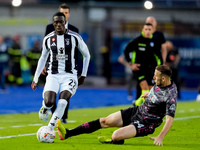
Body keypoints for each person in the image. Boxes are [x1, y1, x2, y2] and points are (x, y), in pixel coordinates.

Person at [56, 65, 177, 146]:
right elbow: (156, 91)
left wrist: (160, 137)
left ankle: (116, 141)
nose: (153, 77)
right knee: (105, 121)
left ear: (164, 78)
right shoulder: (160, 82)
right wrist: (149, 96)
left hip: (146, 123)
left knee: (115, 135)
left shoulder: (170, 95)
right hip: (137, 111)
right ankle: (68, 133)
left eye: (156, 76)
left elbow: (169, 120)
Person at [31, 12, 90, 130]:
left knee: (63, 102)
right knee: (49, 102)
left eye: (61, 22)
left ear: (65, 22)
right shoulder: (48, 39)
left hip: (70, 75)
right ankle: (44, 107)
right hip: (53, 75)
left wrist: (83, 75)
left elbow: (86, 55)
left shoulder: (75, 37)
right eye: (56, 22)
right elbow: (43, 58)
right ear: (53, 23)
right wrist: (35, 78)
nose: (58, 24)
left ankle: (50, 128)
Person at [43, 3, 79, 124]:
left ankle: (62, 116)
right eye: (62, 12)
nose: (64, 14)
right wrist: (44, 64)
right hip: (53, 66)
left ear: (69, 14)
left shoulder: (74, 30)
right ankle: (52, 113)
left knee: (65, 93)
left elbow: (77, 52)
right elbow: (46, 49)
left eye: (66, 13)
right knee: (52, 91)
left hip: (68, 68)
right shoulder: (49, 28)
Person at [124, 23, 156, 106]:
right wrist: (131, 63)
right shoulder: (137, 41)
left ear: (152, 30)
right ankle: (145, 109)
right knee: (144, 87)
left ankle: (137, 103)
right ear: (143, 30)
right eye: (146, 29)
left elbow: (158, 56)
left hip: (150, 70)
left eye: (149, 29)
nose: (148, 31)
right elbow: (126, 51)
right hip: (139, 69)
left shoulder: (154, 42)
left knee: (150, 91)